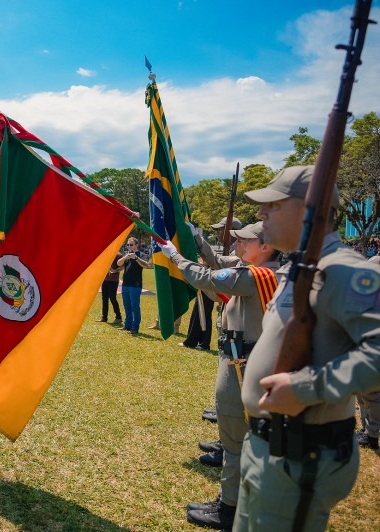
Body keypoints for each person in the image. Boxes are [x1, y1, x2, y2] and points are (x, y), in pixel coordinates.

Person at [234, 166, 380, 530]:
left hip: (301, 454)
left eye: (274, 205)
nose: (261, 214)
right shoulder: (299, 269)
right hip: (268, 445)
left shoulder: (343, 271)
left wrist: (305, 388)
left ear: (309, 209)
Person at [159, 221, 280, 530]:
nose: (238, 245)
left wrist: (174, 255)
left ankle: (229, 509)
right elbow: (217, 262)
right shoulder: (258, 270)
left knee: (234, 442)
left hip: (243, 363)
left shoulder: (257, 275)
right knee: (239, 439)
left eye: (245, 241)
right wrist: (196, 239)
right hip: (247, 359)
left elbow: (207, 276)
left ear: (266, 247)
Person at [116, 237, 147, 334]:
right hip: (125, 285)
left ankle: (135, 328)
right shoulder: (127, 256)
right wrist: (125, 257)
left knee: (135, 307)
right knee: (127, 306)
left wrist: (136, 258)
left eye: (131, 244)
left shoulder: (141, 255)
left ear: (136, 245)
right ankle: (127, 325)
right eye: (128, 245)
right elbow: (118, 263)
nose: (129, 246)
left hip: (135, 285)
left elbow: (146, 265)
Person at [97, 251, 122, 324]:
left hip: (113, 280)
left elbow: (123, 266)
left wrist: (115, 270)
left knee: (112, 298)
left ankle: (118, 317)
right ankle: (104, 317)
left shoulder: (119, 255)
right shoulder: (106, 254)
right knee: (104, 298)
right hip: (105, 279)